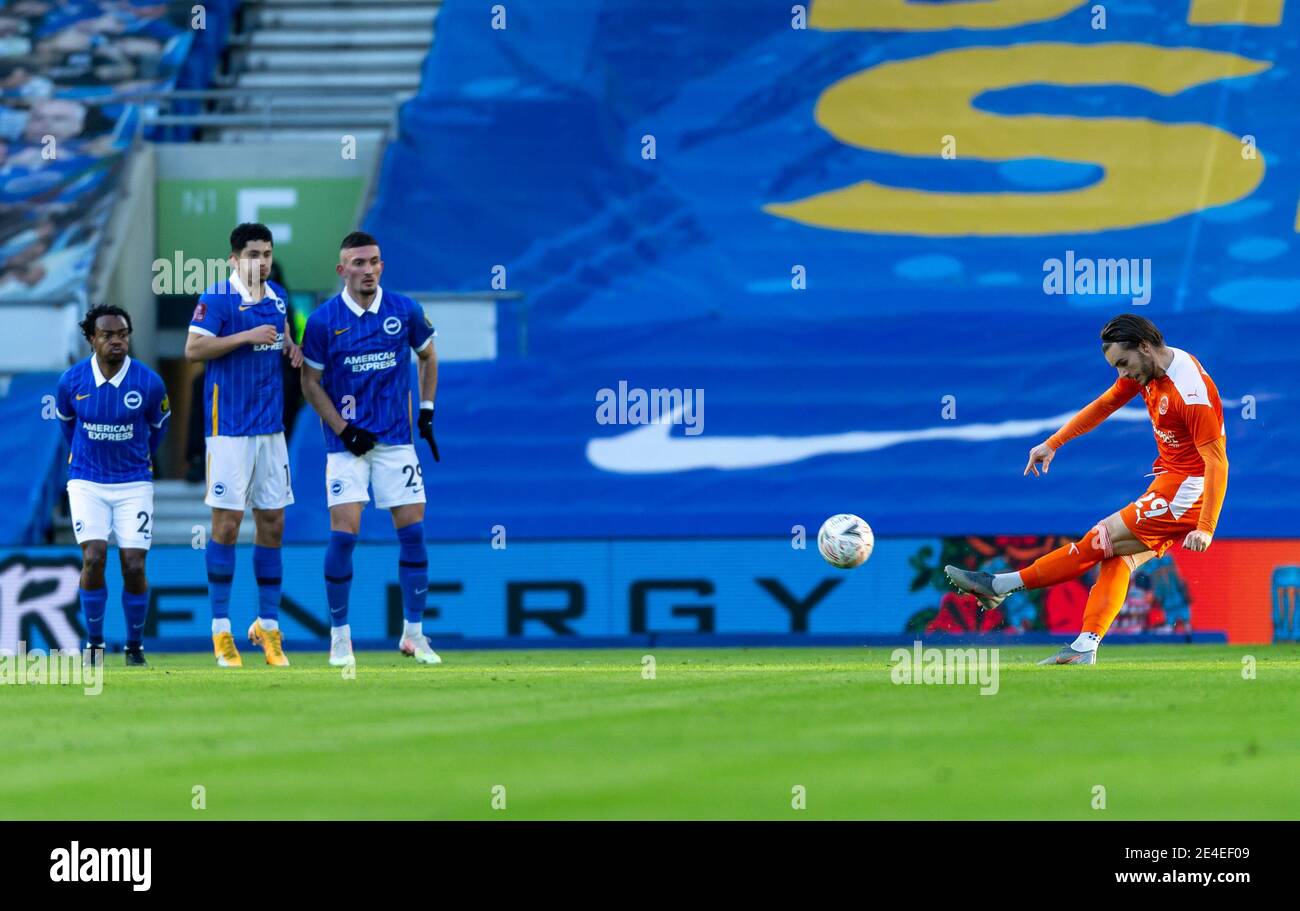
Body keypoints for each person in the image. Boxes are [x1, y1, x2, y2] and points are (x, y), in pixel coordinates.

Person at [944, 314, 1228, 665]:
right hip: (1170, 481)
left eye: (1123, 363)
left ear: (1143, 346)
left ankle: (999, 586)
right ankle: (1085, 646)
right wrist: (1053, 443)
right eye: (1116, 367)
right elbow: (1105, 404)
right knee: (1117, 557)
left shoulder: (1189, 393)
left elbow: (1217, 462)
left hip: (1186, 491)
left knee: (1100, 538)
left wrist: (1206, 527)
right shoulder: (1151, 369)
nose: (1122, 374)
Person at [300, 230, 441, 668]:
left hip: (396, 443)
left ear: (382, 265)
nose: (368, 270)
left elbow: (428, 355)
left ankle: (414, 634)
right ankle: (340, 638)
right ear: (342, 270)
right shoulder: (324, 321)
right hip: (346, 448)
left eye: (374, 261)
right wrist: (344, 430)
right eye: (358, 263)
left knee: (413, 535)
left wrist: (427, 410)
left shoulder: (404, 309)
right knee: (344, 537)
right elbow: (309, 383)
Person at [185, 222, 302, 667]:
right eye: (253, 254)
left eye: (268, 253)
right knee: (228, 526)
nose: (263, 261)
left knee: (272, 523)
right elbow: (193, 350)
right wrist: (246, 337)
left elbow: (283, 337)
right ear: (234, 259)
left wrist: (291, 347)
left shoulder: (277, 298)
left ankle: (267, 627)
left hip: (270, 430)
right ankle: (220, 631)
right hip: (229, 429)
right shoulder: (217, 298)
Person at [54, 304, 170, 666]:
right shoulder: (72, 381)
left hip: (133, 481)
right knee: (93, 558)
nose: (117, 341)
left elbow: (159, 428)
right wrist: (84, 460)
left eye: (122, 334)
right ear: (92, 340)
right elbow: (67, 425)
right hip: (87, 481)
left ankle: (135, 645)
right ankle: (94, 643)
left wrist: (139, 459)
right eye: (108, 335)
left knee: (133, 565)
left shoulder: (148, 382)